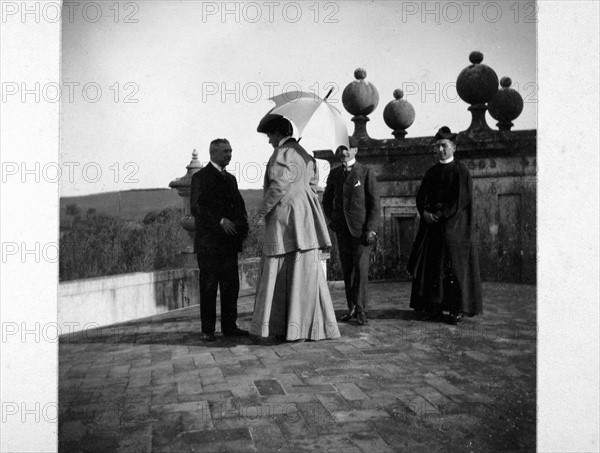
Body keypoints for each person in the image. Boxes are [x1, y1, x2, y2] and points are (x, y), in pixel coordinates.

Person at [250, 116, 340, 342]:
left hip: (285, 221)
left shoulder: (282, 154)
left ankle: (284, 329)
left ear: (278, 133)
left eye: (270, 136)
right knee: (306, 275)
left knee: (278, 271)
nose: (269, 141)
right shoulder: (306, 155)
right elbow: (312, 187)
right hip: (307, 222)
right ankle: (310, 329)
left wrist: (261, 212)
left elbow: (279, 186)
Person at [407, 126, 483, 325]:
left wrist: (440, 215)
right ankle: (434, 307)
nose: (440, 150)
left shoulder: (461, 171)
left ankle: (456, 309)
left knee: (453, 268)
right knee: (432, 268)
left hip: (454, 228)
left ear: (453, 147)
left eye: (444, 146)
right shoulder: (431, 172)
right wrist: (424, 212)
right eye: (438, 146)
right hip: (432, 228)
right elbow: (421, 197)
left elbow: (461, 201)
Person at [190, 138, 250, 341]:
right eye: (225, 151)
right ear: (213, 153)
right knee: (208, 287)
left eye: (231, 151)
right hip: (209, 245)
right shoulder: (200, 177)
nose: (229, 155)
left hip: (229, 244)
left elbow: (239, 207)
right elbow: (197, 207)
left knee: (231, 286)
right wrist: (220, 221)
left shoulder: (231, 179)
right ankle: (208, 330)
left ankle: (229, 326)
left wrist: (242, 227)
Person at [323, 136, 380, 326]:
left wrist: (371, 229)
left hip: (362, 230)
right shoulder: (334, 174)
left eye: (346, 149)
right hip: (342, 230)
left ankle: (362, 309)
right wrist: (333, 220)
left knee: (361, 270)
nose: (342, 153)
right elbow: (327, 199)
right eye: (340, 149)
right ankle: (352, 308)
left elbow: (374, 205)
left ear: (355, 150)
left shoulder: (365, 172)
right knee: (347, 270)